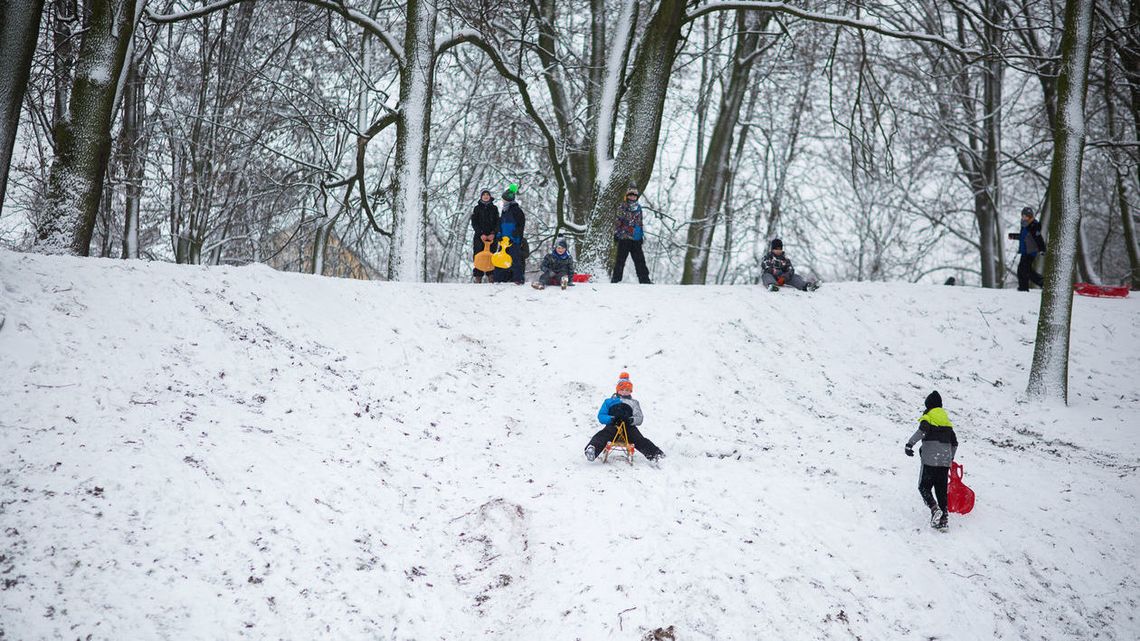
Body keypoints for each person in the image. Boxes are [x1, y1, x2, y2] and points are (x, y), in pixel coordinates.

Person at [904, 391, 959, 530]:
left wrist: (909, 444)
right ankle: (944, 520)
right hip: (944, 461)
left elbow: (922, 431)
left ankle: (935, 509)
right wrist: (950, 458)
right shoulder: (947, 422)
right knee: (941, 489)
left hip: (930, 459)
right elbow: (955, 443)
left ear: (929, 405)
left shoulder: (927, 418)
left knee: (923, 487)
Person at [584, 372, 664, 463]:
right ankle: (592, 449)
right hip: (613, 426)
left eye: (627, 389)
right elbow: (601, 416)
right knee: (602, 435)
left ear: (631, 391)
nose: (625, 391)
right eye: (622, 389)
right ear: (617, 390)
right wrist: (612, 419)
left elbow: (639, 418)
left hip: (629, 428)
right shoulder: (609, 402)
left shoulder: (634, 403)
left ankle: (656, 455)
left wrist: (630, 420)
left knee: (639, 439)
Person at [611, 186, 652, 284]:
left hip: (636, 238)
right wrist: (616, 233)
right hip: (624, 238)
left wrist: (641, 236)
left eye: (634, 195)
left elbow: (640, 223)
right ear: (627, 196)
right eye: (631, 195)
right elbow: (618, 221)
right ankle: (616, 280)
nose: (633, 197)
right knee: (620, 260)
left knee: (640, 260)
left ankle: (644, 280)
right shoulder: (623, 206)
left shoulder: (638, 208)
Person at [494, 184, 527, 285]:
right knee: (500, 258)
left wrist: (516, 236)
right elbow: (501, 224)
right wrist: (499, 234)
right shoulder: (504, 210)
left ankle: (518, 278)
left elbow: (521, 225)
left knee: (515, 259)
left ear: (508, 200)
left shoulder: (517, 210)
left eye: (504, 199)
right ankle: (499, 278)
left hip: (513, 240)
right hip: (503, 239)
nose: (503, 201)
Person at [1010, 206, 1046, 291]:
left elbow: (1038, 238)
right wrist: (1014, 236)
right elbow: (1024, 237)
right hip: (1024, 251)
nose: (1023, 217)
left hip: (1031, 251)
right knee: (1021, 270)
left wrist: (1042, 249)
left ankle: (1042, 282)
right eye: (1023, 215)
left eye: (1025, 216)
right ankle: (1023, 287)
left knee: (1026, 270)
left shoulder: (1034, 225)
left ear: (1030, 216)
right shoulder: (1024, 224)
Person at [470, 188, 499, 283]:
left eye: (487, 194)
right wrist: (481, 233)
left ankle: (491, 275)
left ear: (490, 196)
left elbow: (497, 222)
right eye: (484, 195)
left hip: (491, 237)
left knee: (491, 255)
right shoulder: (477, 208)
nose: (486, 196)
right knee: (478, 255)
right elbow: (474, 222)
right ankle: (478, 276)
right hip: (479, 237)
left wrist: (493, 233)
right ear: (481, 196)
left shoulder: (494, 208)